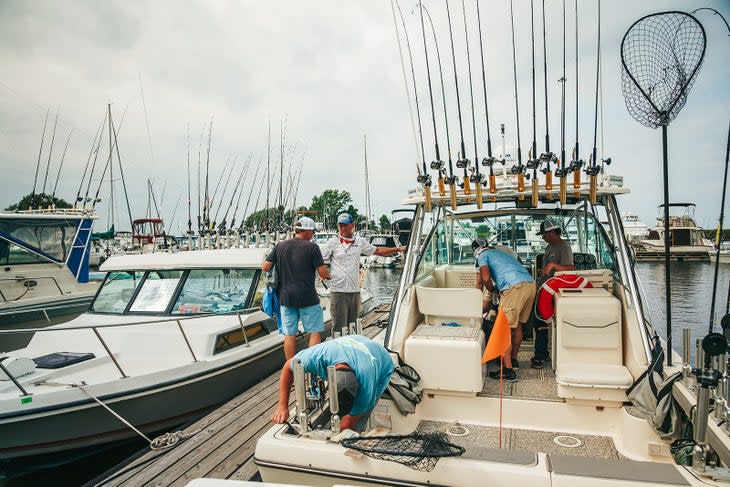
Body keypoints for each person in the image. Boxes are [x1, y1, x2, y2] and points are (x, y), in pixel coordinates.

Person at [271, 334, 395, 431]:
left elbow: (348, 423)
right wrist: (282, 405)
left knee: (359, 417)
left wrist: (338, 432)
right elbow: (288, 367)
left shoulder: (366, 385)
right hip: (350, 345)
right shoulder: (315, 357)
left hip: (382, 360)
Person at [262, 216, 330, 360]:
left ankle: (290, 367)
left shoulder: (280, 246)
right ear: (307, 231)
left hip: (286, 297)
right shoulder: (312, 247)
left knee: (289, 334)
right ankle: (313, 365)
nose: (313, 235)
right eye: (313, 232)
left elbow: (265, 267)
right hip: (308, 297)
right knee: (314, 332)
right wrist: (329, 276)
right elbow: (323, 274)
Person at [321, 213, 405, 330]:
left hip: (355, 291)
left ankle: (352, 348)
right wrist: (323, 272)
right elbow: (321, 261)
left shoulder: (359, 241)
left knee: (353, 326)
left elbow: (378, 250)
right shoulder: (332, 242)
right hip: (338, 291)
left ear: (353, 225)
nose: (343, 228)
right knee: (339, 327)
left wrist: (398, 249)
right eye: (340, 225)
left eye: (345, 225)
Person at [473, 239, 536, 382]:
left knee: (503, 329)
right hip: (530, 285)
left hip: (514, 287)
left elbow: (485, 277)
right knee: (517, 324)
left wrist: (491, 289)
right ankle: (513, 360)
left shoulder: (482, 254)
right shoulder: (500, 253)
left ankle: (507, 370)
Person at [531, 219, 575, 369]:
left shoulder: (564, 246)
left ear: (551, 232)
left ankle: (540, 355)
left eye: (544, 234)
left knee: (539, 320)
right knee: (537, 320)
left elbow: (570, 268)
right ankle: (543, 353)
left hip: (553, 290)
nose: (542, 237)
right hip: (543, 285)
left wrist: (555, 265)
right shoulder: (549, 247)